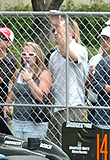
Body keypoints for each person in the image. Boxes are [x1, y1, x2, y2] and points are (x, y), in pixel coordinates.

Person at [46, 13, 88, 145]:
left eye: (58, 30)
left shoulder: (80, 49)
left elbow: (68, 55)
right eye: (54, 31)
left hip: (72, 105)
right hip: (57, 106)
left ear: (69, 32)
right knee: (52, 145)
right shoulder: (53, 55)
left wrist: (57, 23)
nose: (55, 33)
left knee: (68, 146)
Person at [3, 42, 52, 140]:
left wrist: (29, 80)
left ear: (37, 56)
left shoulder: (44, 74)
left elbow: (41, 97)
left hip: (34, 122)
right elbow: (14, 90)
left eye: (31, 54)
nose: (27, 57)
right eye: (24, 54)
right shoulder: (18, 72)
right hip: (17, 120)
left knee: (31, 153)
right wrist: (6, 104)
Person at [86, 26, 110, 106]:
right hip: (93, 104)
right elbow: (85, 83)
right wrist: (91, 77)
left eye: (109, 39)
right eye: (102, 39)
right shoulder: (94, 59)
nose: (105, 42)